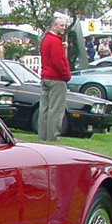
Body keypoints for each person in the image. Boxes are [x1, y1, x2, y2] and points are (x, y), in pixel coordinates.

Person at [38, 14, 71, 142]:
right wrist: (66, 75)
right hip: (56, 78)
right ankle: (53, 137)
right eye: (61, 25)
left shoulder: (45, 39)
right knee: (56, 110)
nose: (64, 28)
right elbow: (58, 62)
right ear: (54, 26)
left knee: (44, 109)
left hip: (46, 77)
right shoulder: (55, 40)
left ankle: (43, 136)